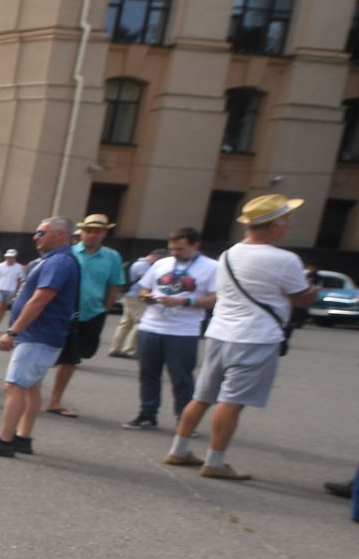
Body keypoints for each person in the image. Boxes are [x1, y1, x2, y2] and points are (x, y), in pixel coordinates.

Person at [164, 195, 313, 480]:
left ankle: (179, 449)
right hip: (256, 336)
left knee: (202, 396)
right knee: (231, 401)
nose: (290, 224)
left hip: (220, 331)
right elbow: (301, 299)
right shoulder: (286, 259)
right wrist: (311, 291)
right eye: (287, 219)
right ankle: (215, 461)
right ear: (275, 225)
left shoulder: (229, 254)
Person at [0, 216, 79, 458]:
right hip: (39, 334)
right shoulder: (53, 260)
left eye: (41, 233)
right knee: (30, 386)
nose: (35, 237)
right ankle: (23, 437)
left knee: (15, 385)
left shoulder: (60, 261)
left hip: (38, 334)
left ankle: (4, 439)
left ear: (60, 235)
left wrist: (12, 331)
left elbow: (40, 299)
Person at [122, 230, 217, 430]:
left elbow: (214, 298)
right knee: (148, 374)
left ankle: (184, 420)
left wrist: (184, 301)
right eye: (171, 248)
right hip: (150, 327)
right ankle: (147, 414)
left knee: (181, 378)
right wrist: (145, 297)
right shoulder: (160, 264)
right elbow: (143, 288)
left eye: (180, 249)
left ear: (195, 246)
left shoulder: (211, 267)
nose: (174, 253)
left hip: (183, 331)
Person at [42, 213, 127, 418]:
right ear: (81, 232)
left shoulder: (112, 257)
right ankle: (29, 393)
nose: (92, 235)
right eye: (89, 231)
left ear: (104, 233)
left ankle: (54, 400)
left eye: (97, 231)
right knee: (44, 353)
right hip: (61, 312)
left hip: (91, 314)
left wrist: (105, 310)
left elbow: (114, 285)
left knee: (72, 358)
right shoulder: (68, 253)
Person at [108, 248, 166, 359]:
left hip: (129, 295)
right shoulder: (143, 266)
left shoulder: (137, 263)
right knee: (139, 322)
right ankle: (129, 348)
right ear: (157, 257)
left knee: (125, 323)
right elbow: (147, 281)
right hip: (136, 296)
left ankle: (115, 348)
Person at [0, 249, 25, 332]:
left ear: (15, 257)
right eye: (8, 257)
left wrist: (16, 291)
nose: (9, 258)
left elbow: (19, 280)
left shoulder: (19, 267)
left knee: (3, 308)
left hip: (11, 290)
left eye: (11, 257)